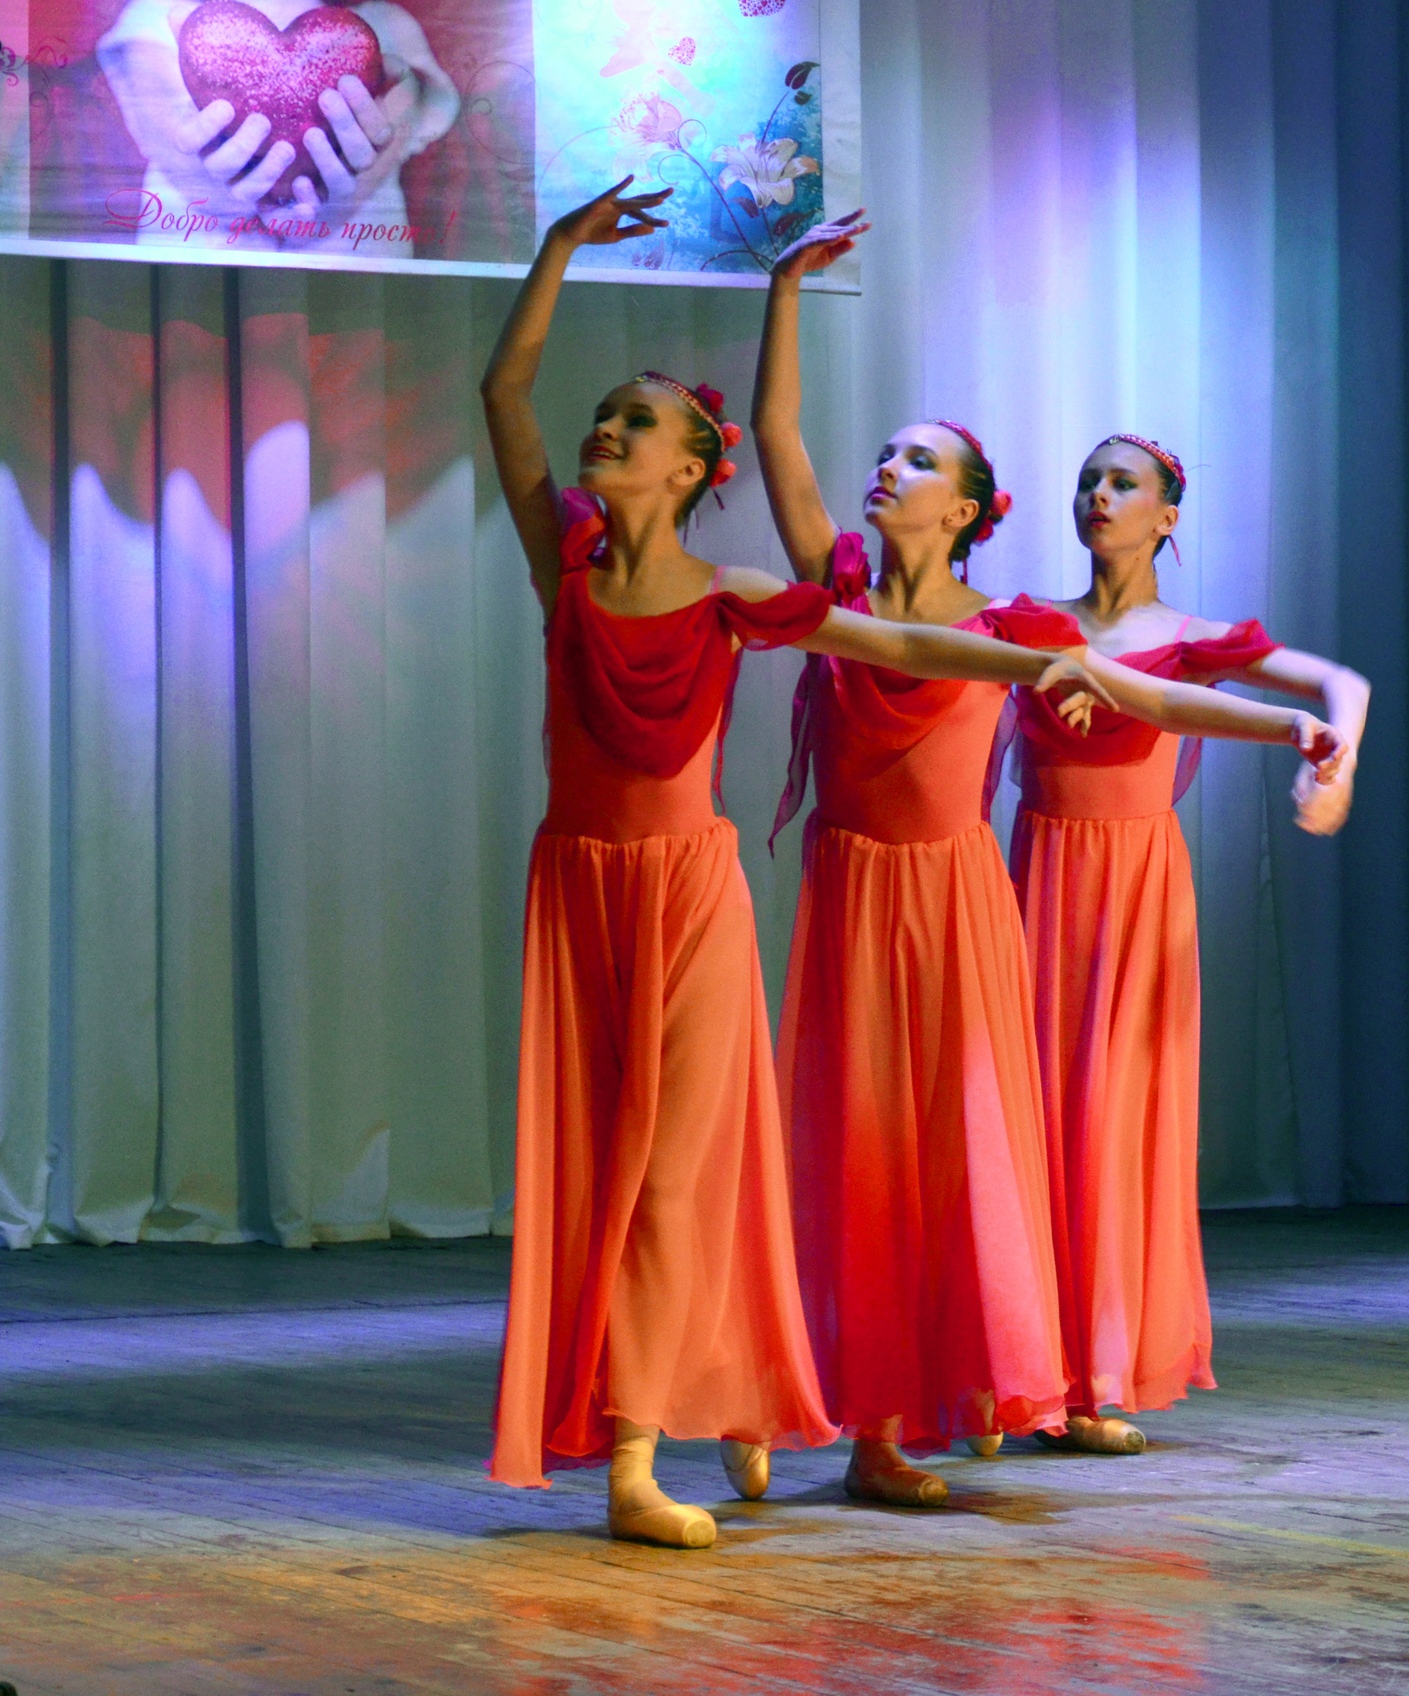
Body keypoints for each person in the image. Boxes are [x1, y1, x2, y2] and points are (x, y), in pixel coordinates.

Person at [480, 183, 1117, 1550]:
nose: (606, 429)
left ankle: (646, 1452)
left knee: (682, 1172)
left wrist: (1038, 663)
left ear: (690, 470)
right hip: (580, 895)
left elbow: (901, 647)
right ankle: (729, 1389)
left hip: (693, 898)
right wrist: (556, 250)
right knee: (602, 1174)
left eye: (636, 421)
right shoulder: (567, 575)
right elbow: (504, 392)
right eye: (608, 414)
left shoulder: (735, 600)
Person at [754, 213, 1348, 1505]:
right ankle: (808, 1402)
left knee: (956, 1156)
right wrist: (783, 289)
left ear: (966, 508)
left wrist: (1289, 727)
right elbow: (777, 439)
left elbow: (1157, 696)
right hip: (853, 898)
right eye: (885, 452)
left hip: (959, 900)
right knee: (844, 1149)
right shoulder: (835, 586)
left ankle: (932, 1399)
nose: (886, 467)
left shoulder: (1014, 626)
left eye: (917, 458)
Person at [1010, 432, 1371, 1455]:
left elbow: (1342, 685)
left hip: (1134, 890)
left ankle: (1095, 1374)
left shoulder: (1191, 637)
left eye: (1122, 483)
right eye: (1088, 479)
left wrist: (1335, 767)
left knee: (1113, 1122)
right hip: (1039, 878)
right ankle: (1013, 1369)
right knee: (1027, 1118)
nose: (1099, 494)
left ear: (1167, 516)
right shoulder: (1028, 625)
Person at [97, 0, 458, 256]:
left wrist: (320, 206)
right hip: (200, 290)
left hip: (347, 297)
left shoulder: (384, 31)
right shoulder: (158, 19)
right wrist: (244, 190)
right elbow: (178, 156)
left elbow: (378, 151)